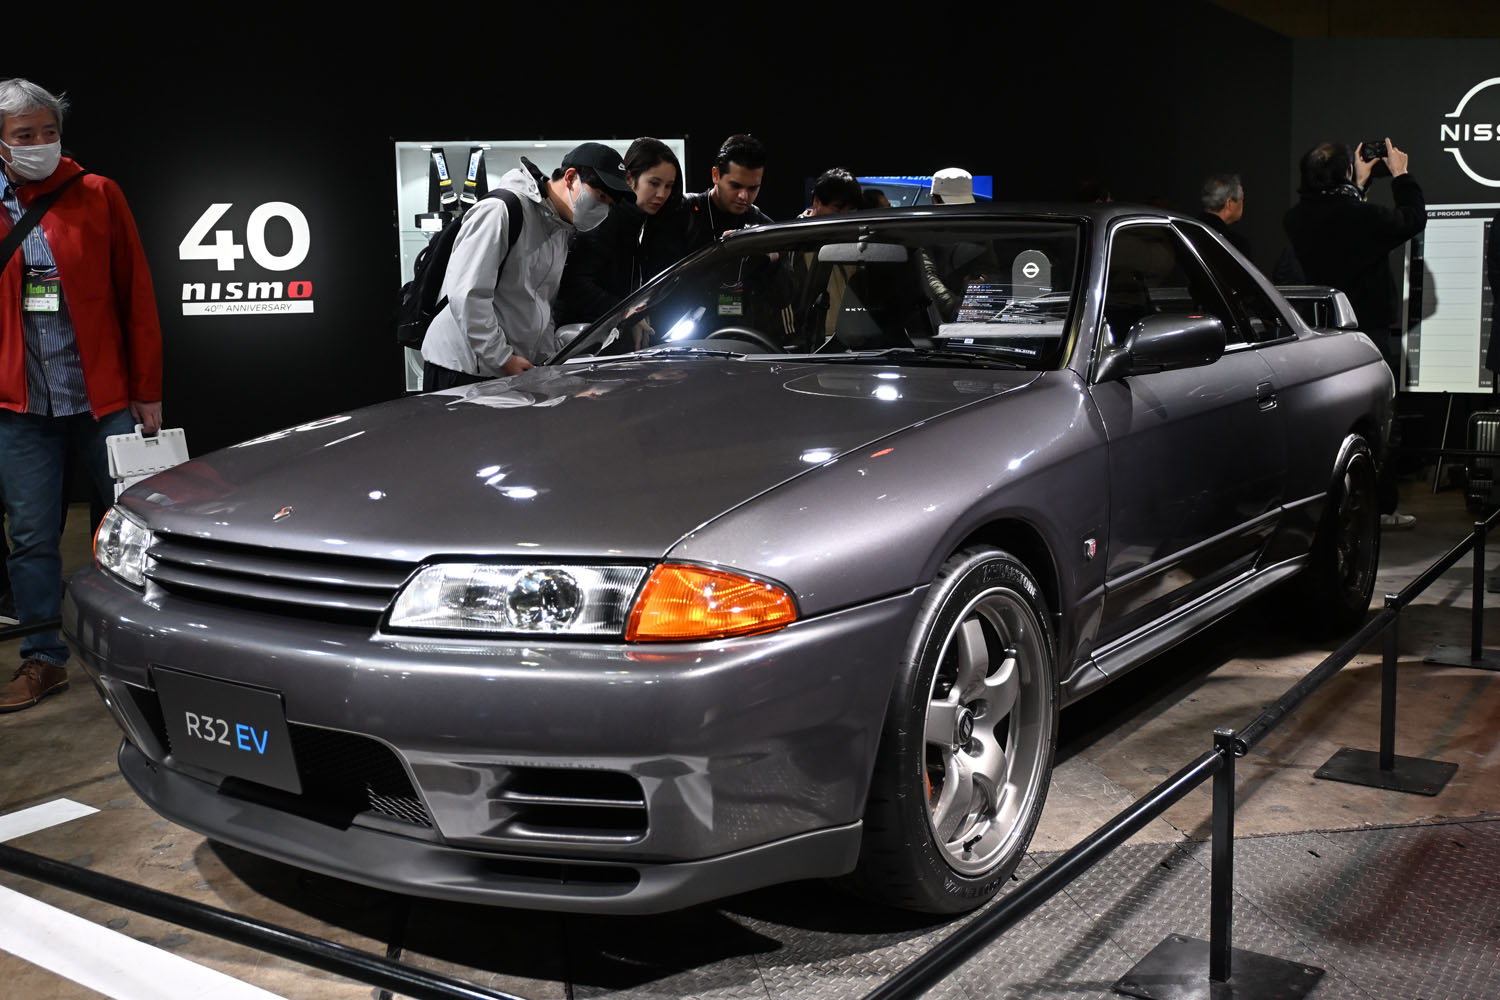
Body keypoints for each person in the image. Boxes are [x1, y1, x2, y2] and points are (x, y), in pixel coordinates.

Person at [0, 78, 163, 712]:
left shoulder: (99, 195)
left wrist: (146, 391)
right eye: (23, 136)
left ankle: (150, 654)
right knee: (33, 536)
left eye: (48, 132)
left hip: (105, 399)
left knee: (137, 529)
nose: (39, 144)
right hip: (18, 408)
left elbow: (137, 296)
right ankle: (44, 660)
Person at [1284, 137, 1425, 529]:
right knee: (1377, 422)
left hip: (1322, 332)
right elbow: (1412, 219)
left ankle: (1339, 505)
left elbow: (1342, 220)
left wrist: (1357, 185)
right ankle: (1377, 509)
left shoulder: (1295, 219)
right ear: (1345, 171)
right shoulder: (1360, 218)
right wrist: (1401, 174)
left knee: (1335, 424)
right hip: (1368, 334)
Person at [421, 142, 630, 390]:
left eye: (610, 205)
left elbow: (539, 302)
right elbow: (467, 294)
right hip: (462, 369)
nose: (603, 209)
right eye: (601, 197)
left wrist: (546, 358)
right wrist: (502, 358)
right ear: (571, 178)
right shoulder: (502, 209)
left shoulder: (559, 230)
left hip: (503, 370)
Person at [555, 138, 685, 345]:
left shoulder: (640, 222)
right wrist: (626, 313)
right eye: (654, 183)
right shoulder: (605, 218)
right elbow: (576, 286)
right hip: (581, 342)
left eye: (668, 186)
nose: (662, 194)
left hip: (607, 338)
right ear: (629, 178)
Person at [682, 134, 772, 252]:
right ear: (715, 175)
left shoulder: (761, 224)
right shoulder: (684, 211)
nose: (743, 196)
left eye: (753, 188)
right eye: (735, 186)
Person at [1198, 173, 1253, 262]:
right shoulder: (1236, 246)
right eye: (1241, 199)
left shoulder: (1183, 229)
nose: (1243, 205)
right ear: (1230, 203)